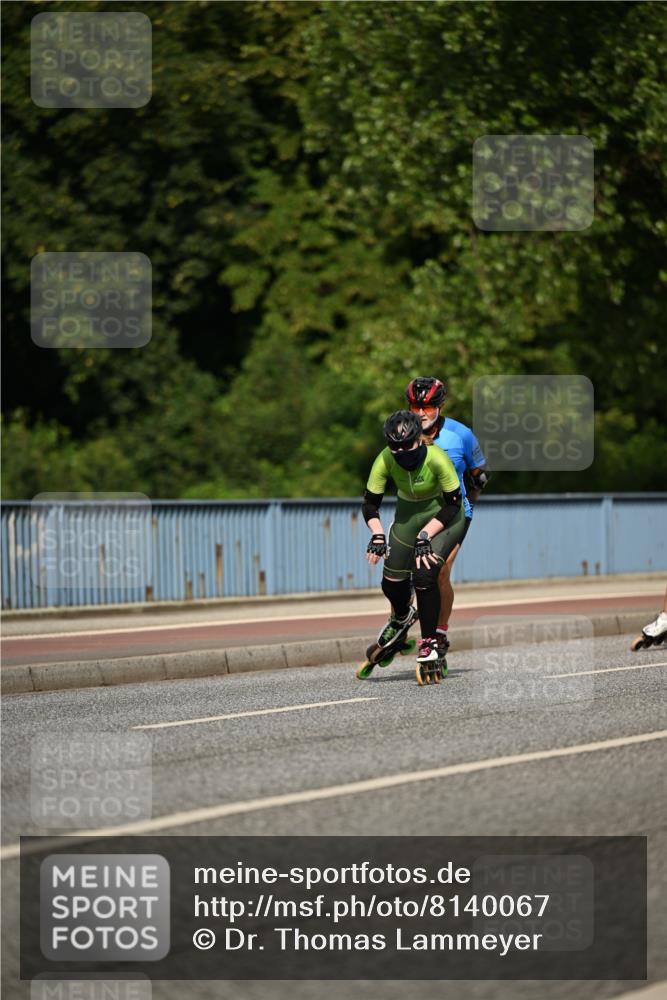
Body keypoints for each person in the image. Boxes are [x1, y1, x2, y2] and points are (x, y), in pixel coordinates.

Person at [362, 409, 467, 676]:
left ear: (419, 440)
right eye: (395, 447)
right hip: (407, 517)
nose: (402, 453)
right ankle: (402, 616)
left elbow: (455, 504)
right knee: (392, 584)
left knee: (424, 574)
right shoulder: (385, 459)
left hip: (444, 518)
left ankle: (429, 641)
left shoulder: (437, 458)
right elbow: (370, 504)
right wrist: (377, 534)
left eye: (407, 445)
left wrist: (425, 536)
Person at [405, 376, 491, 660]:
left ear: (440, 406)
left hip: (454, 514)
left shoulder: (461, 434)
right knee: (405, 574)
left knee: (439, 571)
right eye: (416, 405)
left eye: (428, 406)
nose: (421, 412)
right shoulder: (402, 430)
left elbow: (480, 472)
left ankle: (439, 633)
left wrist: (474, 491)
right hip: (419, 512)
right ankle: (399, 623)